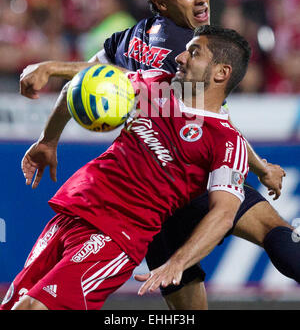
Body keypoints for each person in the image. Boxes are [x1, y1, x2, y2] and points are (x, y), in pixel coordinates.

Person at [19, 0, 294, 310]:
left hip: (151, 185)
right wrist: (261, 168)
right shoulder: (187, 55)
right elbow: (216, 123)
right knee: (272, 232)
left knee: (182, 275)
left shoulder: (133, 37)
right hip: (183, 176)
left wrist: (49, 135)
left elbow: (87, 79)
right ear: (161, 3)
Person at [2, 26, 250, 310]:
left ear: (221, 72)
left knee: (33, 308)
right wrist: (48, 132)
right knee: (14, 305)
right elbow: (94, 79)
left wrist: (177, 263)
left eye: (194, 53)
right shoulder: (157, 83)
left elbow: (224, 214)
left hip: (115, 236)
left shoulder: (227, 141)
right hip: (74, 211)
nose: (180, 57)